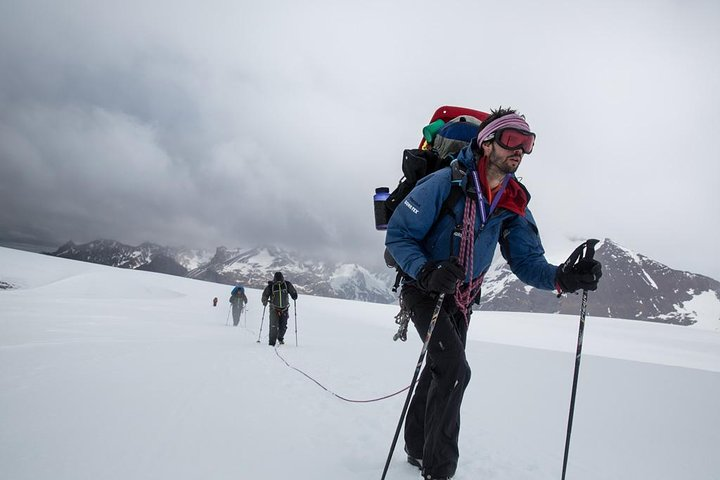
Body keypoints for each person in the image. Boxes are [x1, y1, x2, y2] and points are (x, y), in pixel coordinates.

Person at [385, 107, 602, 480]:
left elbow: (527, 261)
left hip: (461, 296)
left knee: (441, 368)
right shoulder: (445, 182)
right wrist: (425, 270)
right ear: (486, 143)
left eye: (528, 143)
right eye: (512, 140)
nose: (520, 150)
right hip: (424, 288)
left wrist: (565, 278)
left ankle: (417, 448)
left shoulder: (512, 200)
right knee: (454, 371)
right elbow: (399, 235)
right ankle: (439, 472)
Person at [261, 272, 298, 346]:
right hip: (274, 308)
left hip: (284, 309)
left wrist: (294, 294)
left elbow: (292, 291)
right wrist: (264, 301)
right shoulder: (271, 286)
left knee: (283, 326)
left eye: (280, 279)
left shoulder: (287, 284)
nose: (279, 281)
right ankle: (272, 342)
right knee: (273, 326)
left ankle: (280, 338)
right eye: (277, 280)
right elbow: (265, 295)